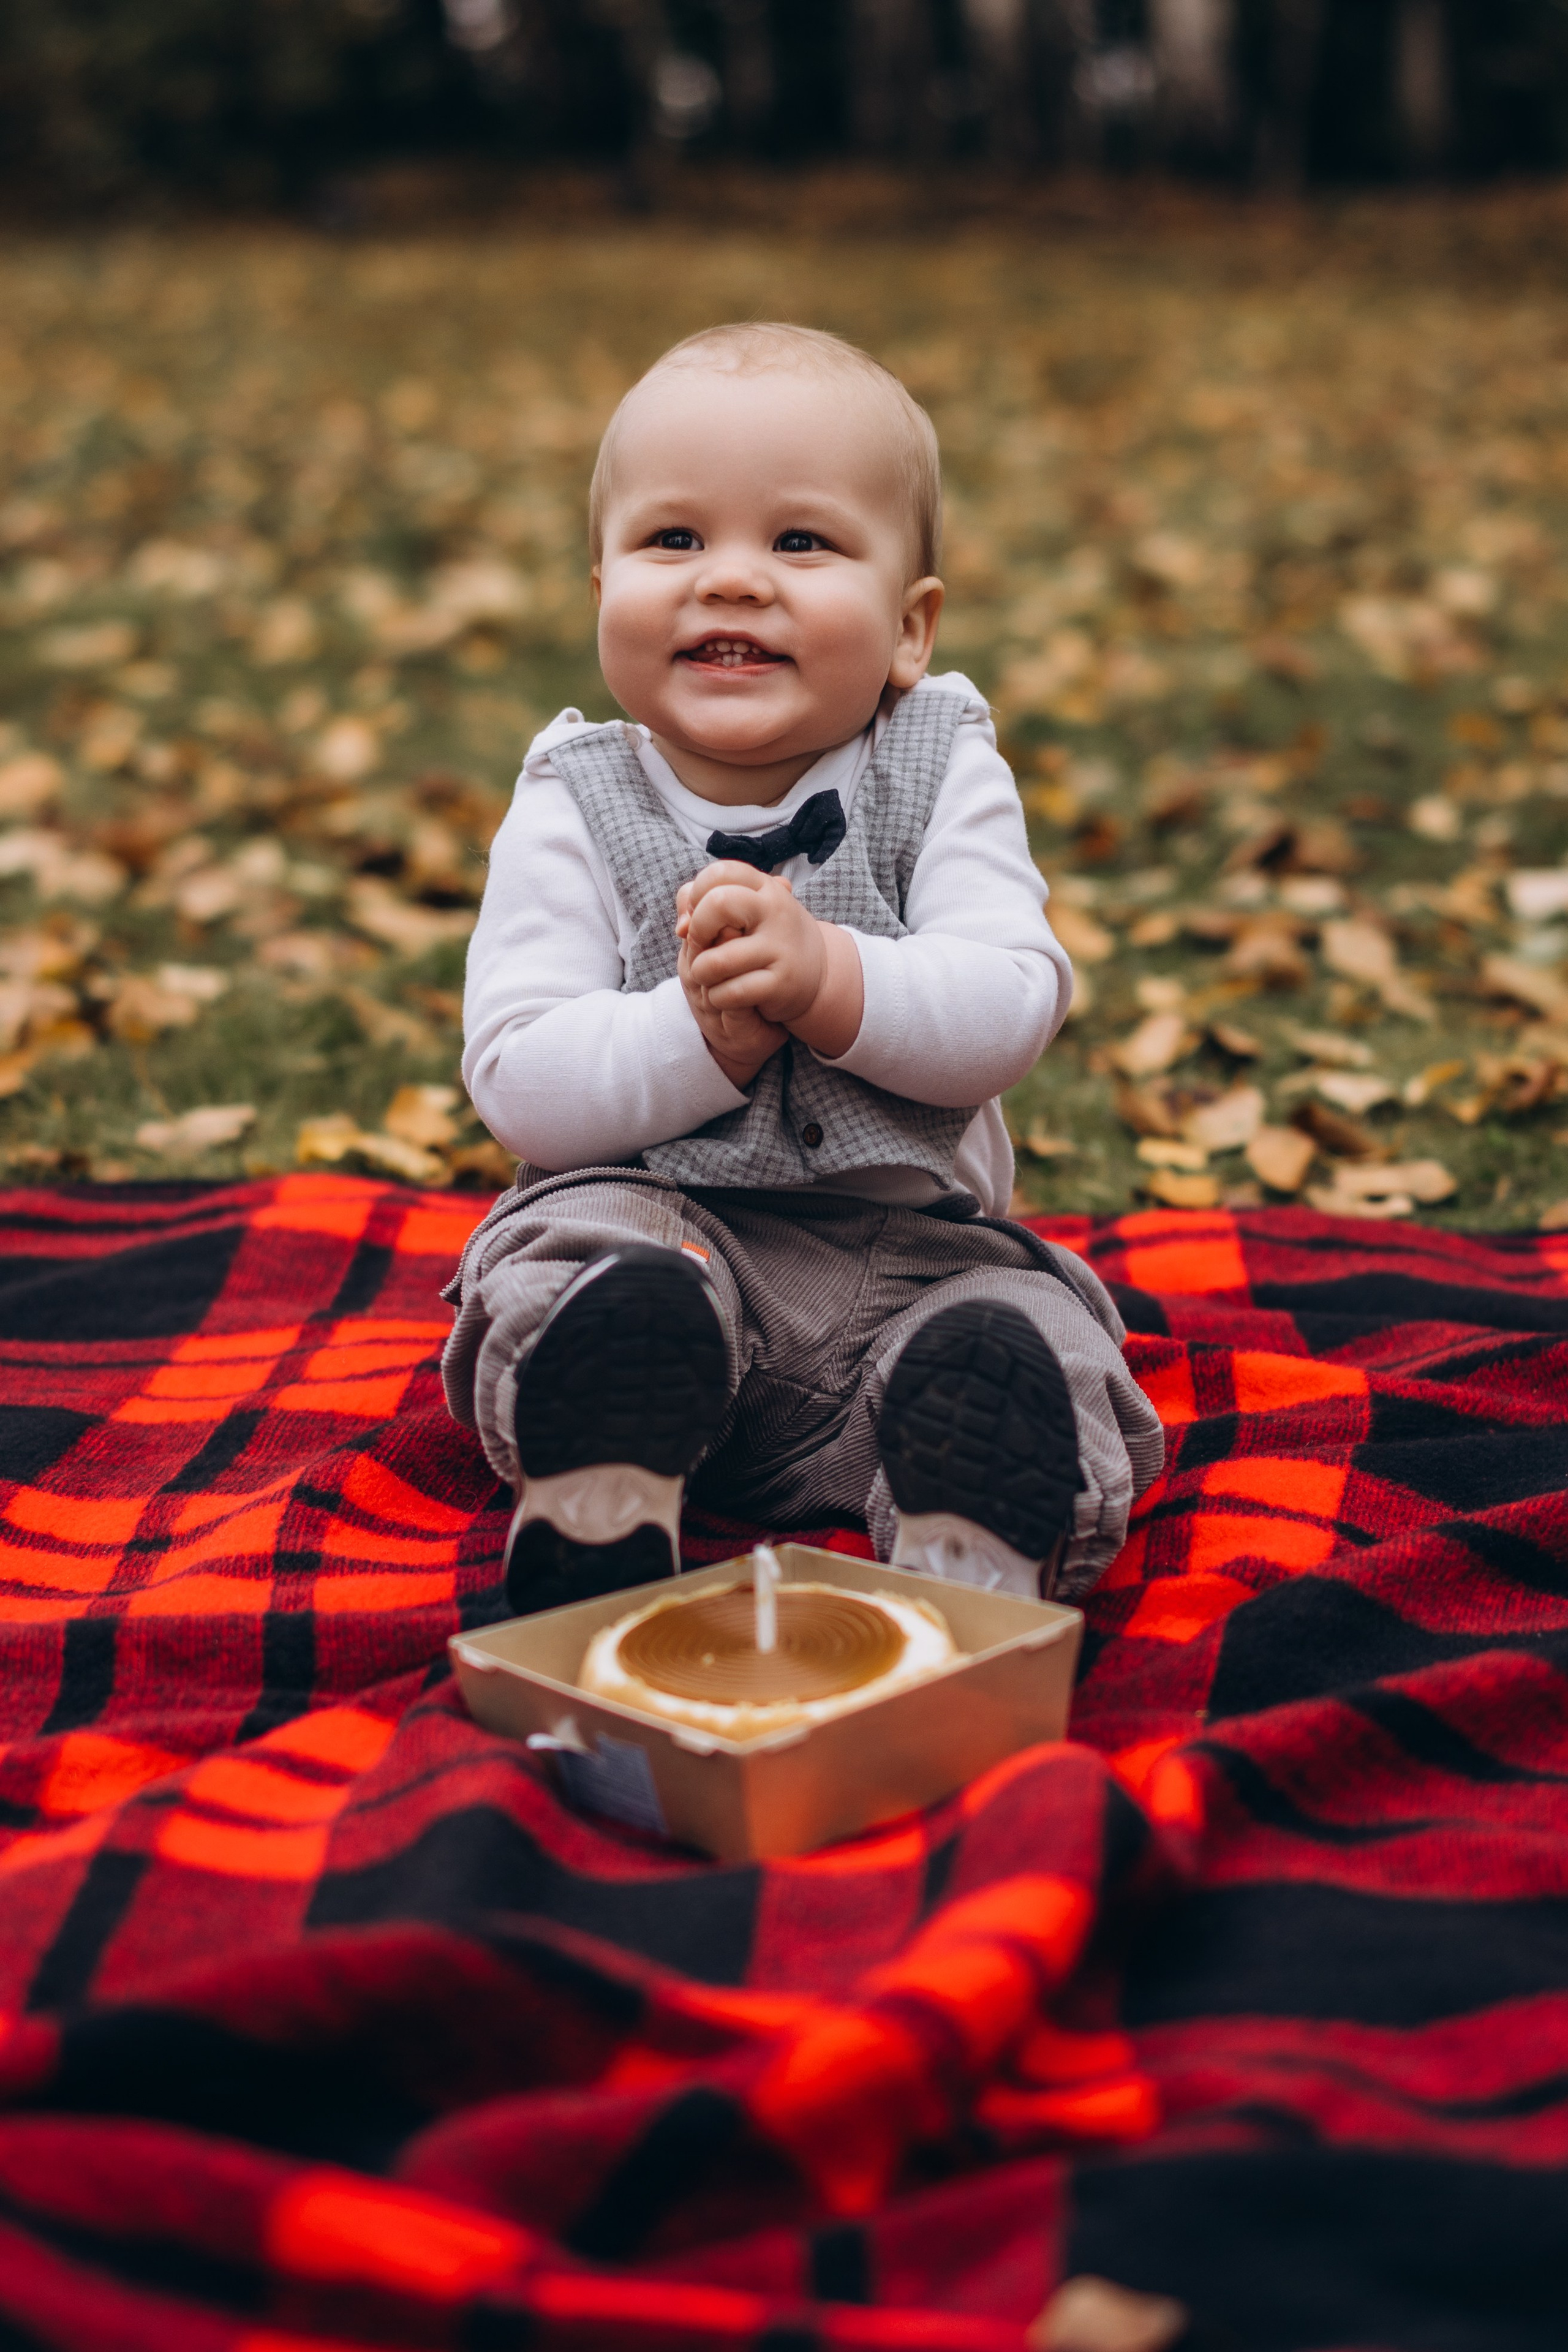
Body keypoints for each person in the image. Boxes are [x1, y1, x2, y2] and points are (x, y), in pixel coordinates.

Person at [442, 322, 1163, 1618]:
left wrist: (833, 978)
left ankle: (968, 1538)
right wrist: (698, 1039)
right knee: (577, 1271)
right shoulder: (572, 797)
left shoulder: (939, 766)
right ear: (597, 583)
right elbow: (519, 1080)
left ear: (908, 628)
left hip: (908, 1265)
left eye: (798, 542)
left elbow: (1008, 1003)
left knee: (1024, 1334)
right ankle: (604, 1480)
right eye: (673, 540)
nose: (730, 582)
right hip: (657, 1229)